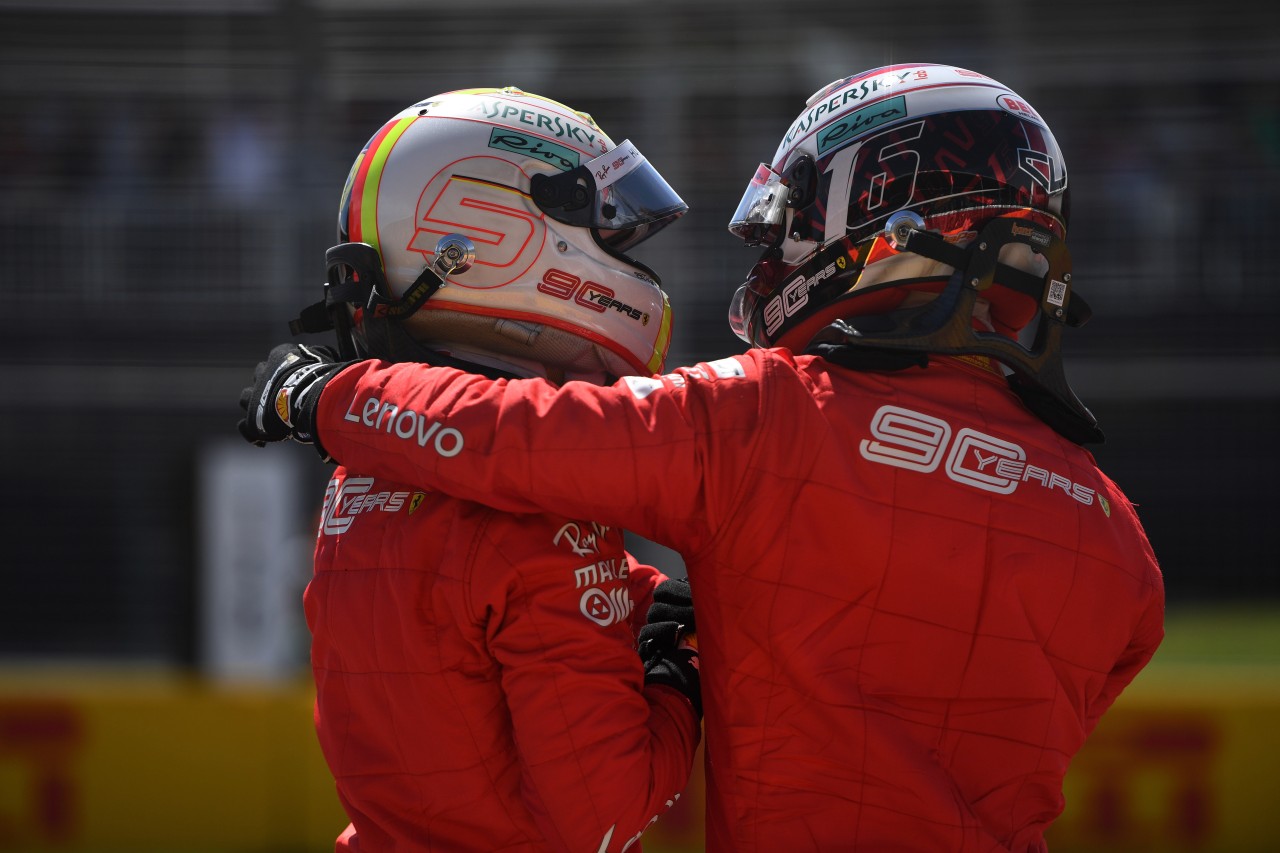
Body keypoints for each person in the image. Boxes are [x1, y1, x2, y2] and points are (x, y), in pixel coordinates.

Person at [241, 65, 1165, 852]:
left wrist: (324, 396)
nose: (774, 249)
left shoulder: (765, 416)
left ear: (880, 205)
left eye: (791, 219)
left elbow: (514, 434)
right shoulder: (1117, 539)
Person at [241, 87, 702, 852]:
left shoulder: (361, 475)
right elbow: (602, 816)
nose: (628, 257)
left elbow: (459, 654)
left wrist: (642, 598)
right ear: (487, 234)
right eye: (608, 230)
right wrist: (676, 678)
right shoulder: (538, 506)